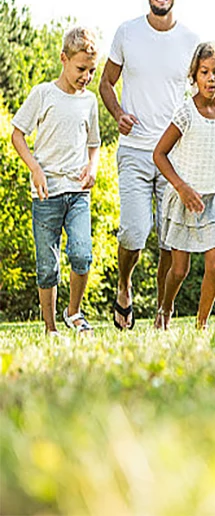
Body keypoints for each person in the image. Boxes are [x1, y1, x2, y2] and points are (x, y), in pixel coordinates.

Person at [99, 0, 199, 329]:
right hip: (136, 151)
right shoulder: (127, 33)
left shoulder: (191, 42)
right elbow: (106, 83)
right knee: (135, 231)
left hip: (173, 156)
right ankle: (124, 286)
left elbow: (198, 99)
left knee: (170, 243)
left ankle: (162, 311)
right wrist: (117, 113)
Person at [153, 42, 215, 329]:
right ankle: (166, 307)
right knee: (180, 270)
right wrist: (182, 188)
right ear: (194, 76)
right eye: (205, 72)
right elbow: (159, 155)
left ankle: (201, 325)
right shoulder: (186, 113)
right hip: (184, 200)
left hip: (213, 200)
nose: (211, 78)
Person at [10, 27, 101, 335]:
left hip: (77, 192)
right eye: (80, 69)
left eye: (91, 70)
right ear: (64, 59)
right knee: (47, 266)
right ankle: (50, 329)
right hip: (46, 194)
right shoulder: (43, 93)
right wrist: (34, 167)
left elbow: (94, 143)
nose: (86, 76)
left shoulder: (89, 101)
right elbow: (17, 134)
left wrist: (93, 167)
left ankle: (73, 312)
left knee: (81, 254)